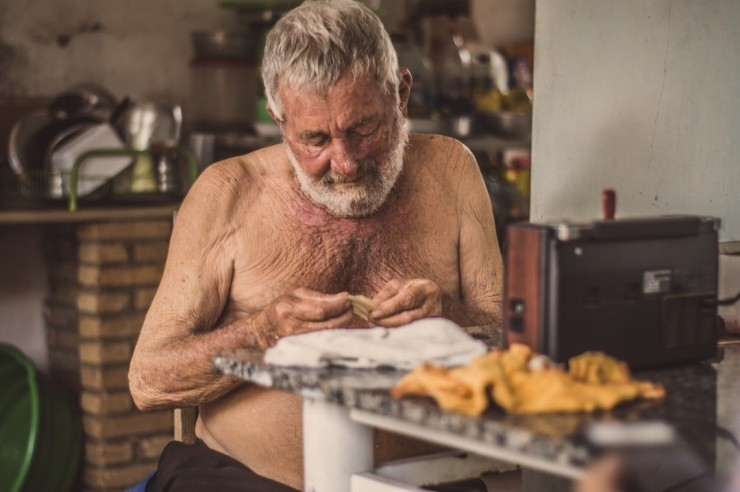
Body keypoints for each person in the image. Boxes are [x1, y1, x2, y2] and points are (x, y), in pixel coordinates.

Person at [128, 0, 503, 490]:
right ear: (280, 121)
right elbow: (149, 380)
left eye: (363, 128)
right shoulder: (228, 191)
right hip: (246, 479)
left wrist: (448, 315)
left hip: (425, 478)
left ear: (402, 95)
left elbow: (510, 338)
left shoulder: (452, 170)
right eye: (314, 139)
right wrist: (264, 334)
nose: (344, 162)